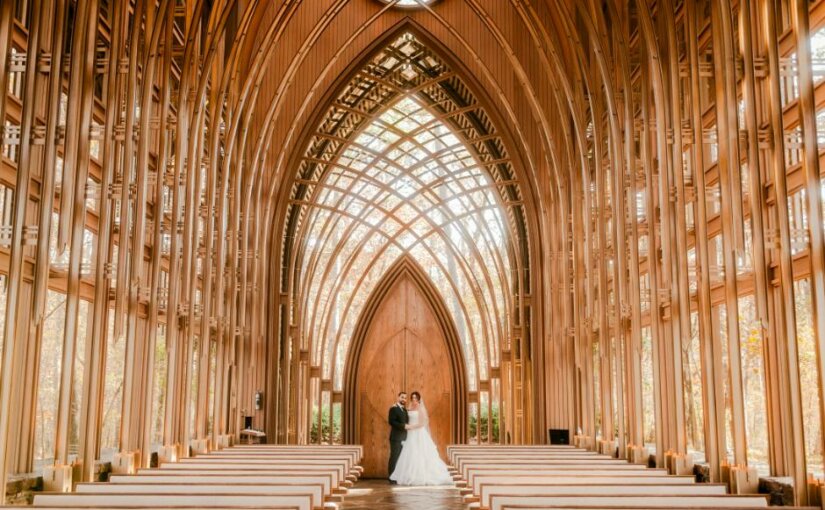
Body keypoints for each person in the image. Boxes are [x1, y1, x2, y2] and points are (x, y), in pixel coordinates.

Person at [388, 391, 454, 486]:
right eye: (412, 398)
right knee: (408, 454)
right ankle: (398, 476)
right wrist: (407, 426)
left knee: (420, 454)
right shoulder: (406, 408)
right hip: (409, 435)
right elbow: (400, 419)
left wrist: (411, 427)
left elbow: (422, 423)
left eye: (416, 398)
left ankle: (419, 475)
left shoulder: (420, 408)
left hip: (418, 433)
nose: (414, 399)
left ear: (419, 399)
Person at [387, 391, 408, 484]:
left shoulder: (404, 409)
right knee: (394, 457)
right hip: (395, 438)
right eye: (402, 397)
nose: (404, 399)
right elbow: (391, 422)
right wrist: (403, 426)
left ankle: (398, 476)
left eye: (405, 398)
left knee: (401, 458)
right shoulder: (393, 408)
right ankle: (391, 477)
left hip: (404, 438)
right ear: (398, 397)